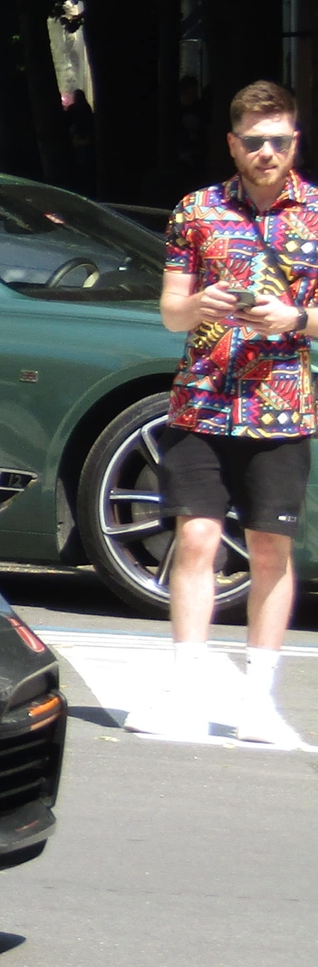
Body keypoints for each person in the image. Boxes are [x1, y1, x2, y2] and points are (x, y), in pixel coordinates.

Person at [134, 78, 313, 746]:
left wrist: (295, 315)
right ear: (233, 144)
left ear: (295, 140)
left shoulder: (317, 214)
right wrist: (201, 304)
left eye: (280, 140)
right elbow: (169, 310)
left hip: (280, 408)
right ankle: (187, 688)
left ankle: (258, 700)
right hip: (203, 401)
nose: (268, 152)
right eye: (255, 141)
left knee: (270, 548)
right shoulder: (197, 211)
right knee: (199, 538)